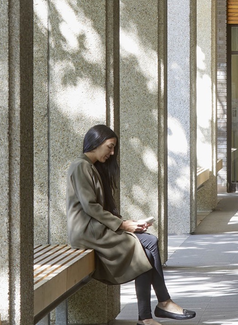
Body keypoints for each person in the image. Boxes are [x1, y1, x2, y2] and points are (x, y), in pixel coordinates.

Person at [67, 124, 196, 325]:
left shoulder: (92, 167)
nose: (111, 153)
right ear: (96, 142)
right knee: (145, 247)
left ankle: (154, 310)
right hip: (87, 231)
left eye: (113, 149)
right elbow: (90, 207)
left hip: (96, 228)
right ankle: (157, 308)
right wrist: (123, 225)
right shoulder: (80, 166)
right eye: (109, 147)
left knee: (148, 244)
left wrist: (129, 223)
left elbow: (99, 208)